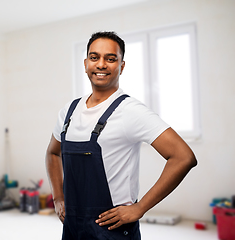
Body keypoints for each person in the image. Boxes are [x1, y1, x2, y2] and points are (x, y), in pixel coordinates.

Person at [45, 31, 197, 240]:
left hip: (113, 230)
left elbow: (183, 157)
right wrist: (58, 197)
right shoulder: (69, 111)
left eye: (110, 58)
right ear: (85, 63)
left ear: (121, 66)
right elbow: (53, 154)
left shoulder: (130, 110)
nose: (101, 64)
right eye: (94, 57)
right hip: (73, 227)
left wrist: (140, 208)